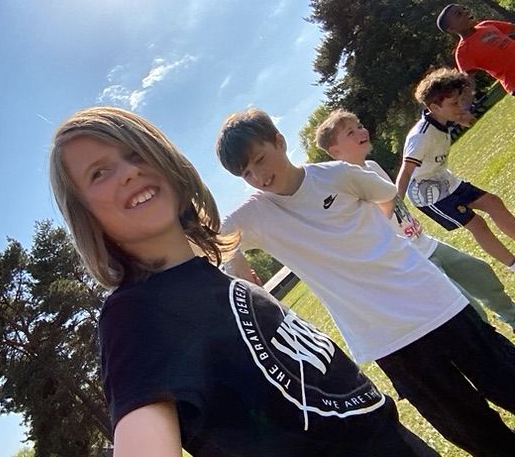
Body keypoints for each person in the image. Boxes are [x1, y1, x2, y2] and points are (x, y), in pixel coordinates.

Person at [48, 106, 436, 457]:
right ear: (86, 216)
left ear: (168, 162)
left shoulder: (218, 280)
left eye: (136, 153)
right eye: (99, 173)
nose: (129, 171)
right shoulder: (133, 316)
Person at [216, 107, 515, 456]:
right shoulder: (252, 216)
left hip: (435, 304)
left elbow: (386, 196)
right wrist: (236, 267)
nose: (258, 175)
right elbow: (209, 243)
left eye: (260, 159)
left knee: (506, 379)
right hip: (386, 340)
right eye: (246, 172)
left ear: (279, 142)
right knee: (471, 430)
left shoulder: (338, 175)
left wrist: (374, 241)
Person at [317, 108, 515, 331]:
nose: (361, 132)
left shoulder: (372, 167)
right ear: (335, 151)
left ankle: (512, 317)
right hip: (411, 257)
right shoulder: (347, 185)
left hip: (425, 242)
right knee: (467, 306)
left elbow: (397, 203)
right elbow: (373, 223)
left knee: (480, 274)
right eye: (350, 132)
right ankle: (491, 342)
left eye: (359, 126)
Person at [396, 67, 515, 271]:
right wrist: (396, 207)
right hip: (428, 194)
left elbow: (458, 121)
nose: (459, 106)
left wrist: (460, 118)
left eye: (459, 100)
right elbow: (406, 172)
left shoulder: (442, 119)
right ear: (435, 107)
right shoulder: (420, 137)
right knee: (477, 224)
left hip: (446, 181)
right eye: (454, 103)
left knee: (493, 202)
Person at [437, 4, 515, 94]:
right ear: (451, 29)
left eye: (464, 8)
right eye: (459, 14)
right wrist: (466, 94)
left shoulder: (487, 24)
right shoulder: (463, 52)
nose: (466, 12)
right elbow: (468, 78)